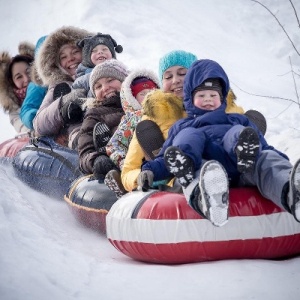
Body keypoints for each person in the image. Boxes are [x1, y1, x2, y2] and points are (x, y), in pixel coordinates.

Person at [137, 59, 300, 227]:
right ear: (190, 99)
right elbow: (166, 158)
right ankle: (206, 197)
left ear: (221, 98)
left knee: (250, 144)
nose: (208, 99)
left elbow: (264, 148)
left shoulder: (237, 120)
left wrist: (278, 160)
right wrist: (150, 171)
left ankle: (291, 192)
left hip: (243, 168)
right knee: (188, 139)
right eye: (201, 95)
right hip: (205, 168)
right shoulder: (182, 126)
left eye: (213, 95)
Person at [32, 26, 92, 147]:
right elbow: (39, 124)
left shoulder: (102, 73)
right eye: (63, 57)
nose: (70, 59)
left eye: (75, 52)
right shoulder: (59, 87)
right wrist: (63, 103)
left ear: (85, 52)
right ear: (58, 65)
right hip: (77, 135)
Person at [104, 68, 160, 197]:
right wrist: (122, 161)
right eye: (143, 94)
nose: (149, 97)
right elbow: (114, 145)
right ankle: (125, 184)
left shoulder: (166, 114)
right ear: (132, 99)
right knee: (135, 173)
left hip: (161, 156)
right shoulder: (132, 119)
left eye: (152, 92)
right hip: (137, 161)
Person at [121, 89, 186, 192]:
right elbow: (128, 171)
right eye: (168, 77)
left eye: (182, 73)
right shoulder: (151, 118)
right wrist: (142, 177)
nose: (175, 80)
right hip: (173, 188)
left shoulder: (210, 108)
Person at [77, 59, 128, 179]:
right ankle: (107, 151)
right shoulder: (94, 115)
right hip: (115, 165)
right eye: (98, 86)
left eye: (110, 80)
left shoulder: (138, 104)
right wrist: (96, 160)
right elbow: (85, 151)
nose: (105, 88)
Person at [0, 41, 35, 134]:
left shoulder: (49, 87)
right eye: (19, 77)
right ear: (12, 82)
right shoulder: (15, 110)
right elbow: (21, 127)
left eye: (28, 72)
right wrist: (32, 132)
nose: (26, 79)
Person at [20, 36, 48, 130]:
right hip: (51, 122)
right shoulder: (38, 84)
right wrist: (37, 119)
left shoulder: (79, 71)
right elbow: (27, 109)